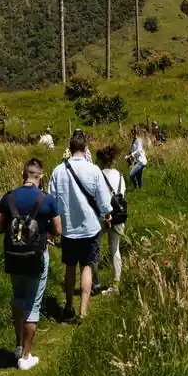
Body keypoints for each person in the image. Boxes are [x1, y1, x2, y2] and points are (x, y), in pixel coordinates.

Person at [0, 157, 61, 371]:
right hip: (37, 256)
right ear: (40, 177)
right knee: (32, 303)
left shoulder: (8, 198)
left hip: (13, 256)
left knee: (18, 298)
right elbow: (58, 230)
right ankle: (25, 356)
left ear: (23, 174)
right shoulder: (48, 200)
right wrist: (47, 233)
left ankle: (17, 345)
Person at [48, 130, 112, 322]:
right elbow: (103, 200)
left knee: (69, 267)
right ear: (85, 149)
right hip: (90, 227)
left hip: (67, 228)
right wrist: (107, 214)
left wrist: (52, 227)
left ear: (69, 148)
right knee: (86, 267)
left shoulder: (58, 171)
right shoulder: (93, 170)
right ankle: (83, 311)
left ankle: (68, 306)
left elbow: (51, 201)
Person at [96, 144, 127, 294]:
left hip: (102, 216)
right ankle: (116, 284)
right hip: (119, 215)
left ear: (101, 160)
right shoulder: (120, 175)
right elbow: (123, 195)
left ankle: (94, 282)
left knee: (93, 246)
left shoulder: (98, 175)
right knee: (115, 249)